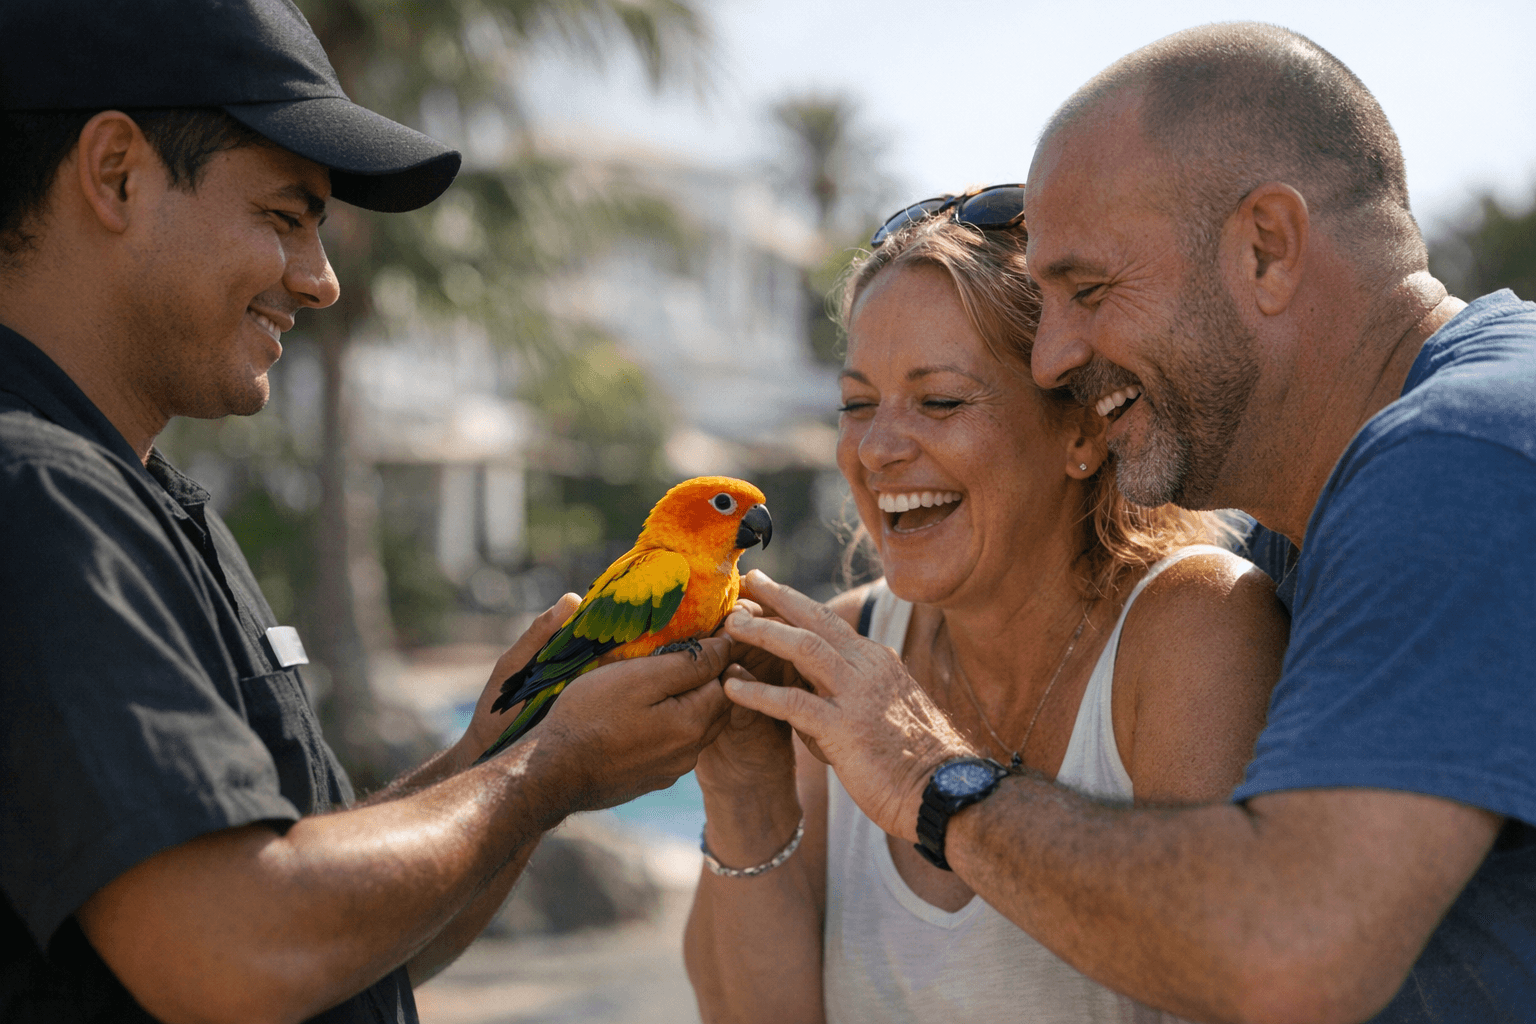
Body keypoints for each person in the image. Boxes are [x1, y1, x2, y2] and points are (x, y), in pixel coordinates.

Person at [718, 22, 1536, 1024]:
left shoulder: (1462, 453)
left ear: (1266, 247)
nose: (1055, 357)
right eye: (858, 401)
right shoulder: (1312, 528)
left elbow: (1287, 956)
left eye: (1089, 290)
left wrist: (926, 774)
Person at [0, 3, 731, 1022]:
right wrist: (543, 769)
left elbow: (331, 935)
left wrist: (498, 747)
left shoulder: (147, 501)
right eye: (284, 217)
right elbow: (237, 947)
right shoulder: (34, 489)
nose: (323, 279)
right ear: (118, 173)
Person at [685, 197, 1287, 1022]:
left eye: (939, 403)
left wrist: (928, 778)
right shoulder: (845, 644)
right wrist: (743, 785)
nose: (877, 448)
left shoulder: (1192, 624)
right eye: (858, 404)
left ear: (1080, 432)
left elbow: (1233, 979)